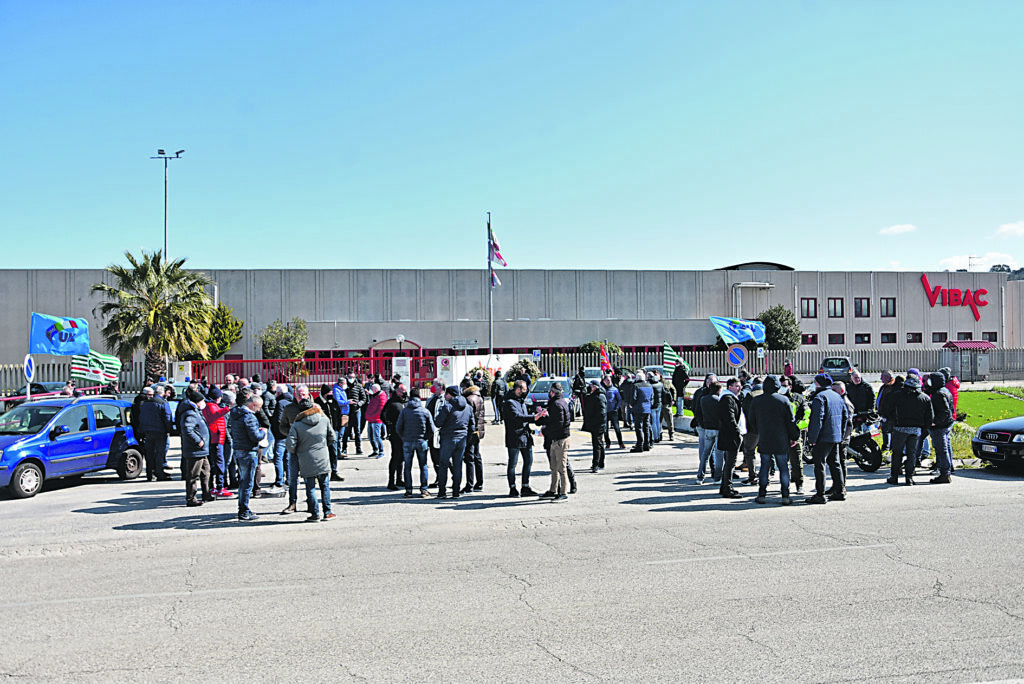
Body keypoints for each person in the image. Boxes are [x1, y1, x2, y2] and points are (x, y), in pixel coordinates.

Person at [748, 375, 799, 505]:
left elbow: (751, 420)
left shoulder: (757, 400)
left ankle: (762, 494)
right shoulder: (784, 400)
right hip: (781, 438)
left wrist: (759, 430)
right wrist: (794, 437)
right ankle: (785, 495)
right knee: (783, 467)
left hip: (764, 437)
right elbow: (790, 421)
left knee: (764, 466)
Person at [286, 395, 338, 522]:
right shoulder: (323, 420)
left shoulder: (297, 425)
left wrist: (297, 451)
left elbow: (290, 444)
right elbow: (333, 438)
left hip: (306, 458)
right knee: (325, 486)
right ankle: (328, 512)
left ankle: (315, 514)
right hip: (322, 457)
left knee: (310, 487)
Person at [805, 374, 850, 504]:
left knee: (820, 465)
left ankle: (820, 494)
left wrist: (812, 438)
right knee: (835, 464)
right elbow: (845, 417)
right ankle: (840, 491)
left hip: (823, 437)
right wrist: (840, 434)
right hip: (835, 436)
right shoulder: (837, 396)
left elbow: (817, 420)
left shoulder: (820, 397)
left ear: (818, 384)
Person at [887, 373, 933, 486]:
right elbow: (930, 416)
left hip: (899, 428)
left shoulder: (896, 395)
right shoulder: (924, 397)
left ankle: (894, 477)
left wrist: (891, 422)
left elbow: (888, 410)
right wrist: (924, 428)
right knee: (911, 454)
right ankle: (909, 478)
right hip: (916, 429)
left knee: (897, 453)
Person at [229, 394, 267, 522]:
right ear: (254, 404)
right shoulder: (249, 417)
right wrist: (263, 432)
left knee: (243, 481)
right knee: (247, 483)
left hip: (239, 449)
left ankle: (243, 508)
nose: (259, 410)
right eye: (259, 407)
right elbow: (255, 436)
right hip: (248, 451)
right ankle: (244, 511)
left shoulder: (235, 413)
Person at [434, 385, 475, 499]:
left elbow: (438, 423)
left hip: (448, 438)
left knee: (443, 465)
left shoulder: (447, 407)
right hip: (462, 439)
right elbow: (472, 425)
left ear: (450, 394)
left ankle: (442, 491)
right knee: (458, 465)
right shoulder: (468, 407)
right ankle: (456, 491)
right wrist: (467, 438)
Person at [396, 388, 436, 498]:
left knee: (407, 466)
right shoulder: (425, 411)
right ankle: (424, 489)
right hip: (421, 441)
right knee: (423, 465)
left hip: (408, 441)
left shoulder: (405, 411)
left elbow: (398, 427)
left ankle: (408, 490)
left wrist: (404, 437)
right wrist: (426, 438)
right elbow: (432, 429)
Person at [502, 379, 539, 497]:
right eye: (524, 389)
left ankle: (525, 486)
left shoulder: (521, 401)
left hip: (525, 436)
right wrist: (534, 417)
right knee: (513, 463)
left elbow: (525, 417)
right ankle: (512, 488)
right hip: (514, 437)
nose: (526, 391)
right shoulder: (509, 402)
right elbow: (518, 417)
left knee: (528, 461)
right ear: (518, 390)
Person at [534, 382, 570, 501]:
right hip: (555, 439)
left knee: (561, 467)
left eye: (550, 391)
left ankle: (563, 492)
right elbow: (553, 420)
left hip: (560, 439)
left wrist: (545, 431)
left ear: (553, 392)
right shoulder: (556, 402)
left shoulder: (557, 404)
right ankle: (553, 490)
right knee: (553, 466)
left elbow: (558, 423)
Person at [180, 389, 212, 507]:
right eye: (202, 401)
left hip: (201, 451)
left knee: (206, 472)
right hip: (195, 450)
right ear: (198, 402)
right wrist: (198, 440)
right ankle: (191, 498)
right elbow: (187, 429)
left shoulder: (196, 411)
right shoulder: (190, 413)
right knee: (193, 475)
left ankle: (206, 493)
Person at [202, 387, 233, 497]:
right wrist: (227, 408)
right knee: (219, 462)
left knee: (217, 462)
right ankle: (219, 487)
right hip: (216, 438)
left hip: (217, 438)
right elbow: (215, 415)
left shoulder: (210, 405)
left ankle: (216, 486)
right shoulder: (211, 406)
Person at [779, 376, 808, 495]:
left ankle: (799, 484)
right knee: (782, 463)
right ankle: (785, 486)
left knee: (796, 461)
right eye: (781, 385)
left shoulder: (798, 398)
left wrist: (796, 429)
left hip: (795, 434)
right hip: (780, 435)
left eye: (785, 385)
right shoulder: (777, 398)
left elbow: (806, 415)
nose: (782, 388)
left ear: (790, 386)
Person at [716, 378, 743, 499]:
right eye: (737, 386)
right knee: (730, 463)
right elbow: (730, 419)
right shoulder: (727, 399)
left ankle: (725, 486)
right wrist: (737, 434)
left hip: (730, 435)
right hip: (730, 436)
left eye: (740, 385)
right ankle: (727, 488)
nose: (739, 388)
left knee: (729, 462)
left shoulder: (731, 398)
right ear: (730, 387)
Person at [926, 372, 955, 484]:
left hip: (940, 427)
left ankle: (944, 473)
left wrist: (935, 422)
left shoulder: (939, 394)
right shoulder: (944, 390)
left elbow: (945, 411)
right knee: (945, 448)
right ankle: (946, 471)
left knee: (942, 449)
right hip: (945, 425)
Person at [139, 385, 173, 481]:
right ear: (162, 393)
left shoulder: (145, 403)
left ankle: (149, 474)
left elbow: (141, 417)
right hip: (160, 432)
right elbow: (167, 418)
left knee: (149, 454)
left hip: (148, 432)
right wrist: (168, 430)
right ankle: (159, 473)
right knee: (159, 453)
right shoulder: (163, 403)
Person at [315, 383, 345, 481]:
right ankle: (320, 473)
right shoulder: (317, 403)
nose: (331, 394)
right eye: (329, 392)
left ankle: (334, 472)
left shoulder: (333, 402)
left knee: (334, 452)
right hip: (321, 433)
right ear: (324, 394)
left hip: (333, 432)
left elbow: (339, 414)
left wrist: (339, 428)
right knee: (321, 454)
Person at [382, 383, 408, 490]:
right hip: (395, 434)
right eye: (402, 391)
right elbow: (383, 415)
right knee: (395, 457)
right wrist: (390, 425)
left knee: (402, 457)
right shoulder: (391, 402)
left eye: (405, 391)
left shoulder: (407, 401)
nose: (404, 393)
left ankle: (399, 479)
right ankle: (391, 481)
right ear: (397, 391)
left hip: (406, 434)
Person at [461, 383, 486, 492]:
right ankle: (479, 482)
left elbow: (468, 417)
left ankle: (469, 484)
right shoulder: (479, 397)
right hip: (478, 430)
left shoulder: (469, 399)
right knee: (477, 457)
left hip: (471, 431)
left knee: (469, 458)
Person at [697, 380, 722, 483]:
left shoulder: (703, 399)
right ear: (719, 390)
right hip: (718, 428)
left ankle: (700, 477)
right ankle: (717, 477)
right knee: (719, 454)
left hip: (707, 428)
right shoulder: (719, 400)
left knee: (705, 454)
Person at [738, 377, 762, 486]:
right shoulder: (769, 395)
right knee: (767, 454)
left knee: (750, 452)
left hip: (752, 430)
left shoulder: (750, 396)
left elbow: (744, 412)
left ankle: (752, 477)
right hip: (767, 430)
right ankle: (766, 477)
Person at [271, 384, 294, 489]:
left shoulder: (280, 403)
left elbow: (279, 420)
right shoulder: (292, 401)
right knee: (288, 458)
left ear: (278, 393)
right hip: (290, 434)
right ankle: (290, 479)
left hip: (281, 435)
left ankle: (279, 480)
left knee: (278, 458)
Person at [582, 380, 607, 473]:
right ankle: (601, 462)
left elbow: (601, 412)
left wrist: (597, 423)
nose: (590, 388)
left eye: (591, 386)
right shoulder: (594, 395)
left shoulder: (599, 396)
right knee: (599, 444)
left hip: (598, 424)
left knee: (597, 444)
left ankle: (595, 465)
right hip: (596, 423)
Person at [342, 373, 366, 455]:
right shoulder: (344, 386)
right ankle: (344, 448)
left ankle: (358, 448)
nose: (351, 378)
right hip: (345, 412)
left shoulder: (359, 386)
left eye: (353, 377)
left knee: (357, 431)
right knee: (345, 430)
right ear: (347, 377)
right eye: (350, 377)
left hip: (356, 411)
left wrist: (358, 404)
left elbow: (364, 398)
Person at [629, 372, 654, 453]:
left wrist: (631, 404)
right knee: (646, 427)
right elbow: (652, 398)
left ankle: (639, 445)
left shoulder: (636, 386)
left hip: (638, 409)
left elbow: (634, 397)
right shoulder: (649, 385)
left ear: (637, 378)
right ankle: (647, 444)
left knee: (638, 427)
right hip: (647, 409)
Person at [365, 383, 387, 458]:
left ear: (376, 390)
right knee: (370, 436)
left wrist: (371, 416)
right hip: (371, 419)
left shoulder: (381, 397)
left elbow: (380, 411)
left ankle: (381, 451)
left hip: (376, 420)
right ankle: (375, 450)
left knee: (376, 436)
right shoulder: (374, 396)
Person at [602, 375, 625, 449]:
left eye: (610, 380)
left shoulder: (614, 389)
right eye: (607, 380)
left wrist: (617, 408)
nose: (609, 382)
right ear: (604, 381)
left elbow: (619, 399)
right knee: (605, 429)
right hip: (605, 412)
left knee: (617, 428)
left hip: (613, 411)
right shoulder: (602, 389)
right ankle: (607, 443)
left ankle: (621, 443)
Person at [649, 372, 664, 443]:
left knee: (653, 422)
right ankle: (659, 435)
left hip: (653, 406)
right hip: (659, 404)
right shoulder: (660, 385)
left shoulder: (651, 386)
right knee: (658, 421)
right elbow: (663, 393)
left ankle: (655, 437)